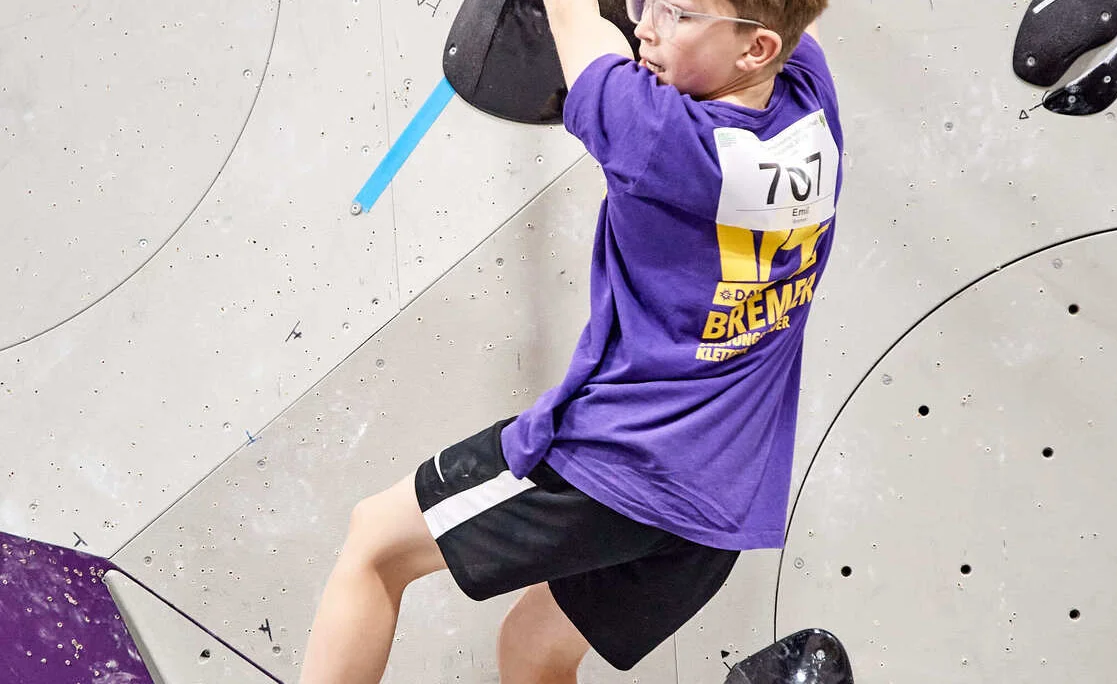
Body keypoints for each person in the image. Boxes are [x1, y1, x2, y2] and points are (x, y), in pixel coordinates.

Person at [299, 0, 841, 681]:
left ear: (755, 49)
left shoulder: (654, 131)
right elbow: (802, 19)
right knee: (535, 648)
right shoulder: (810, 107)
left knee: (376, 544)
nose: (645, 25)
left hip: (621, 464)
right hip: (722, 500)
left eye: (676, 13)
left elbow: (569, 12)